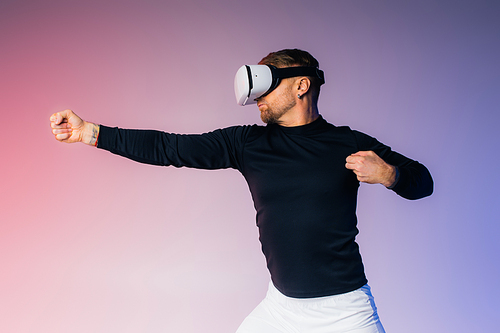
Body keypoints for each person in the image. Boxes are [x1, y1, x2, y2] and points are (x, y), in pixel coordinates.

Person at [50, 49, 433, 333]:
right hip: (281, 309)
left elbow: (423, 181)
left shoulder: (347, 143)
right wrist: (89, 132)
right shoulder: (248, 143)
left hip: (345, 313)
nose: (257, 96)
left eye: (269, 82)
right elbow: (171, 148)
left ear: (302, 85)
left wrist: (390, 175)